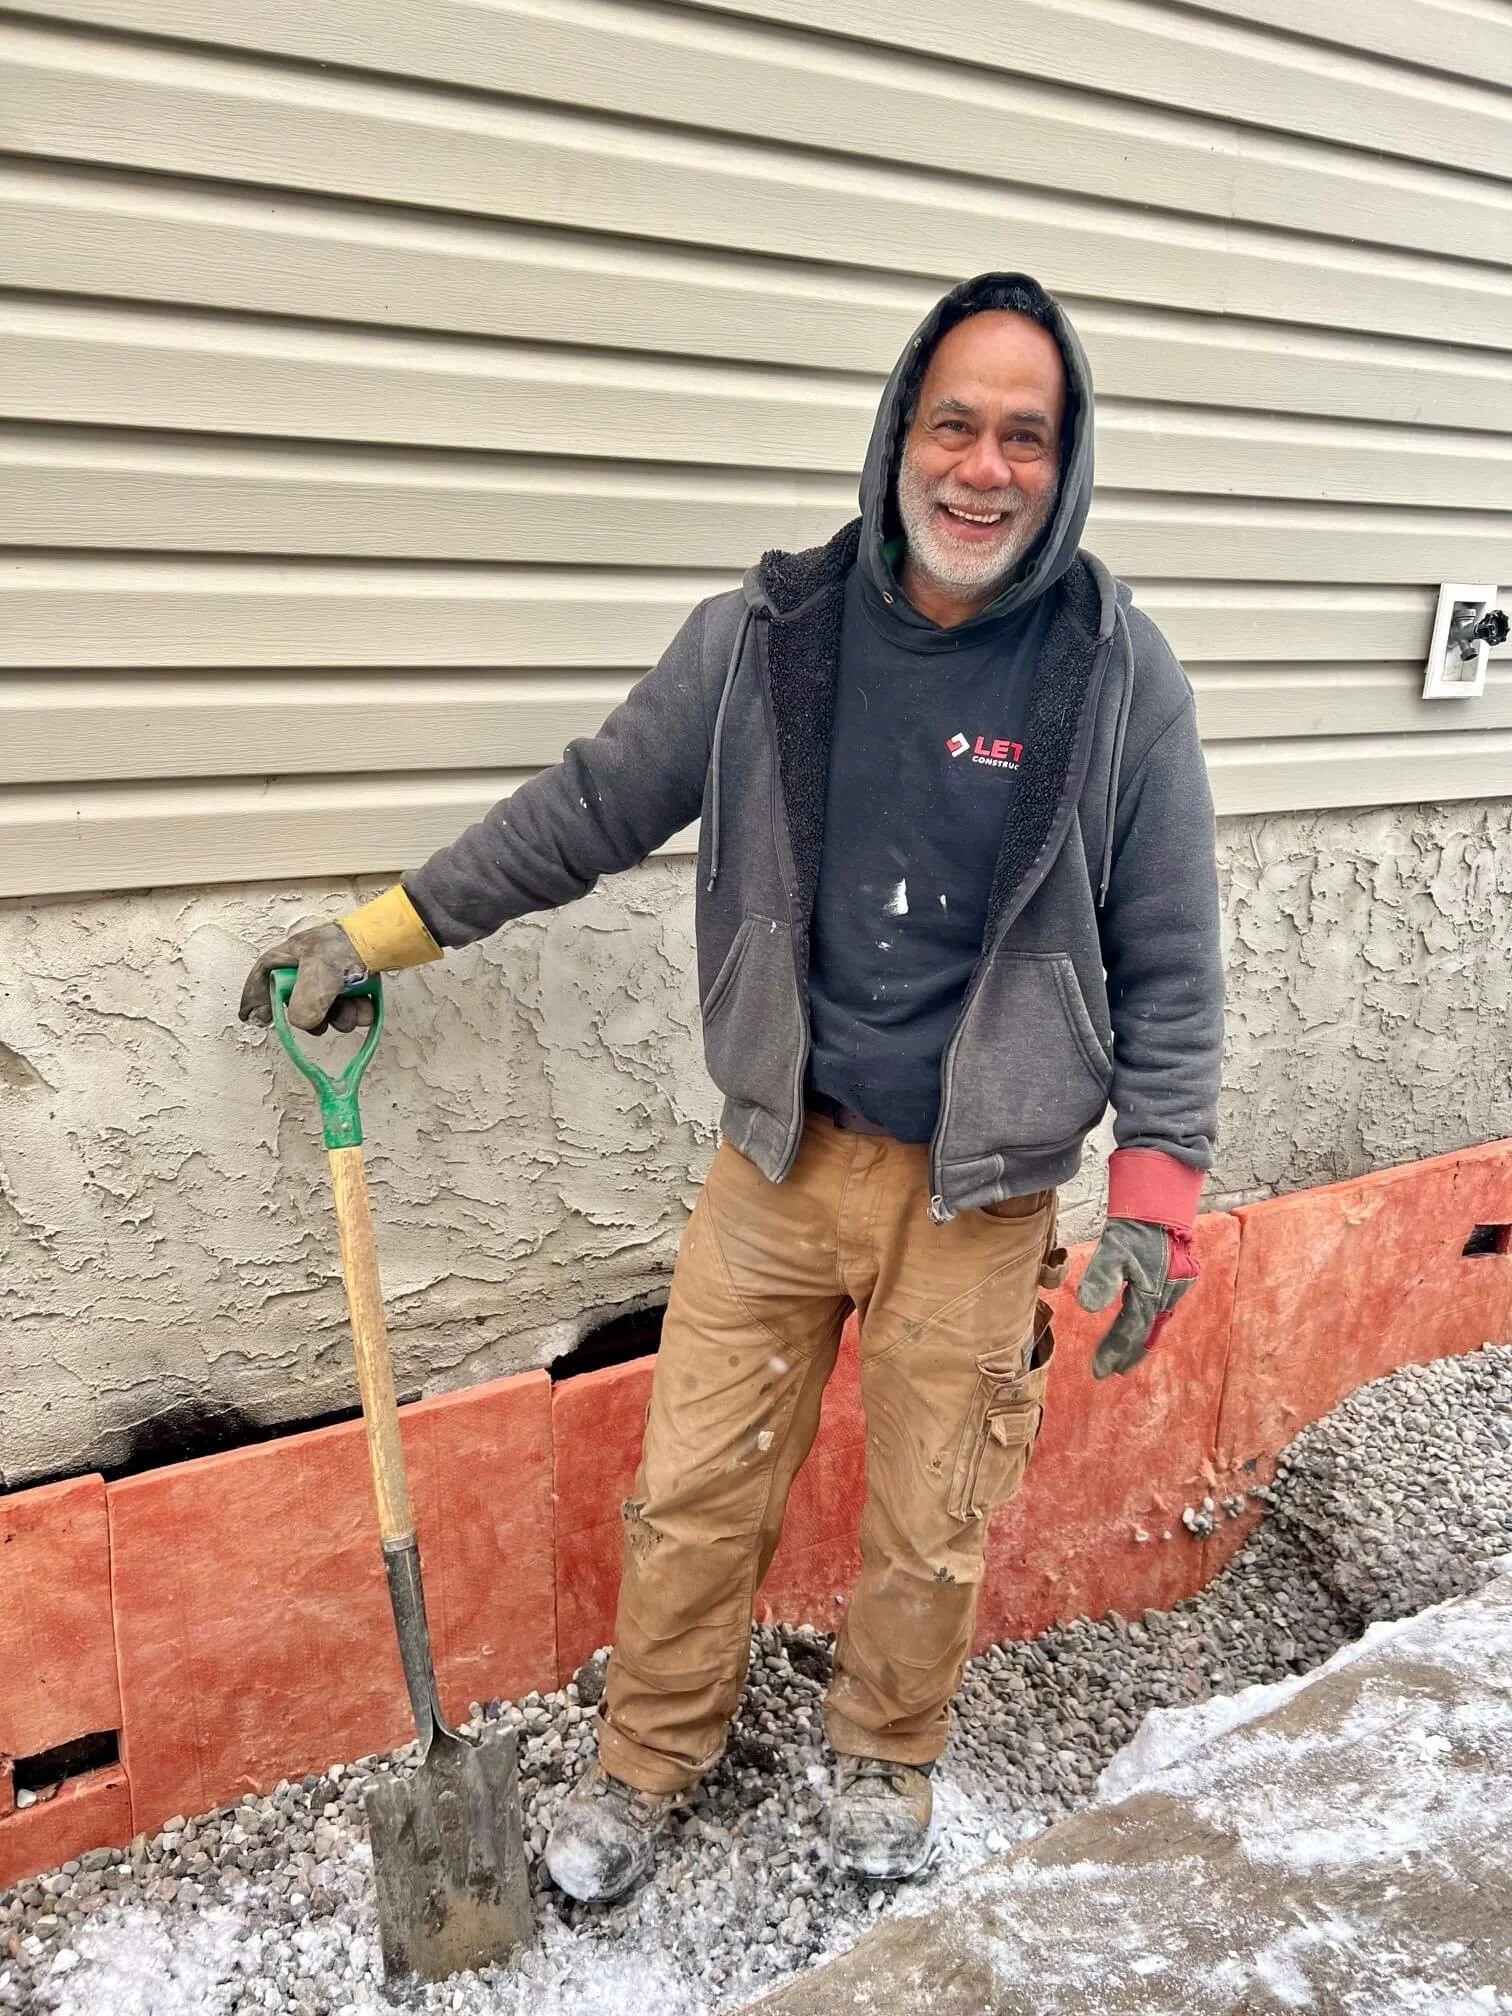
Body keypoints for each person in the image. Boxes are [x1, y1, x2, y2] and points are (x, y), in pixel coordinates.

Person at [240, 271, 1224, 1900]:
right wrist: (384, 932)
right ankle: (647, 1762)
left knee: (931, 1516)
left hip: (979, 1200)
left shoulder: (1118, 674)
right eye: (956, 424)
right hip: (776, 1160)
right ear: (900, 433)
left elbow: (1175, 955)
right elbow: (589, 808)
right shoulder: (771, 636)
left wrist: (1158, 1207)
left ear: (1071, 460)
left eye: (1025, 438)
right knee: (693, 1485)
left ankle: (886, 1757)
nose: (984, 467)